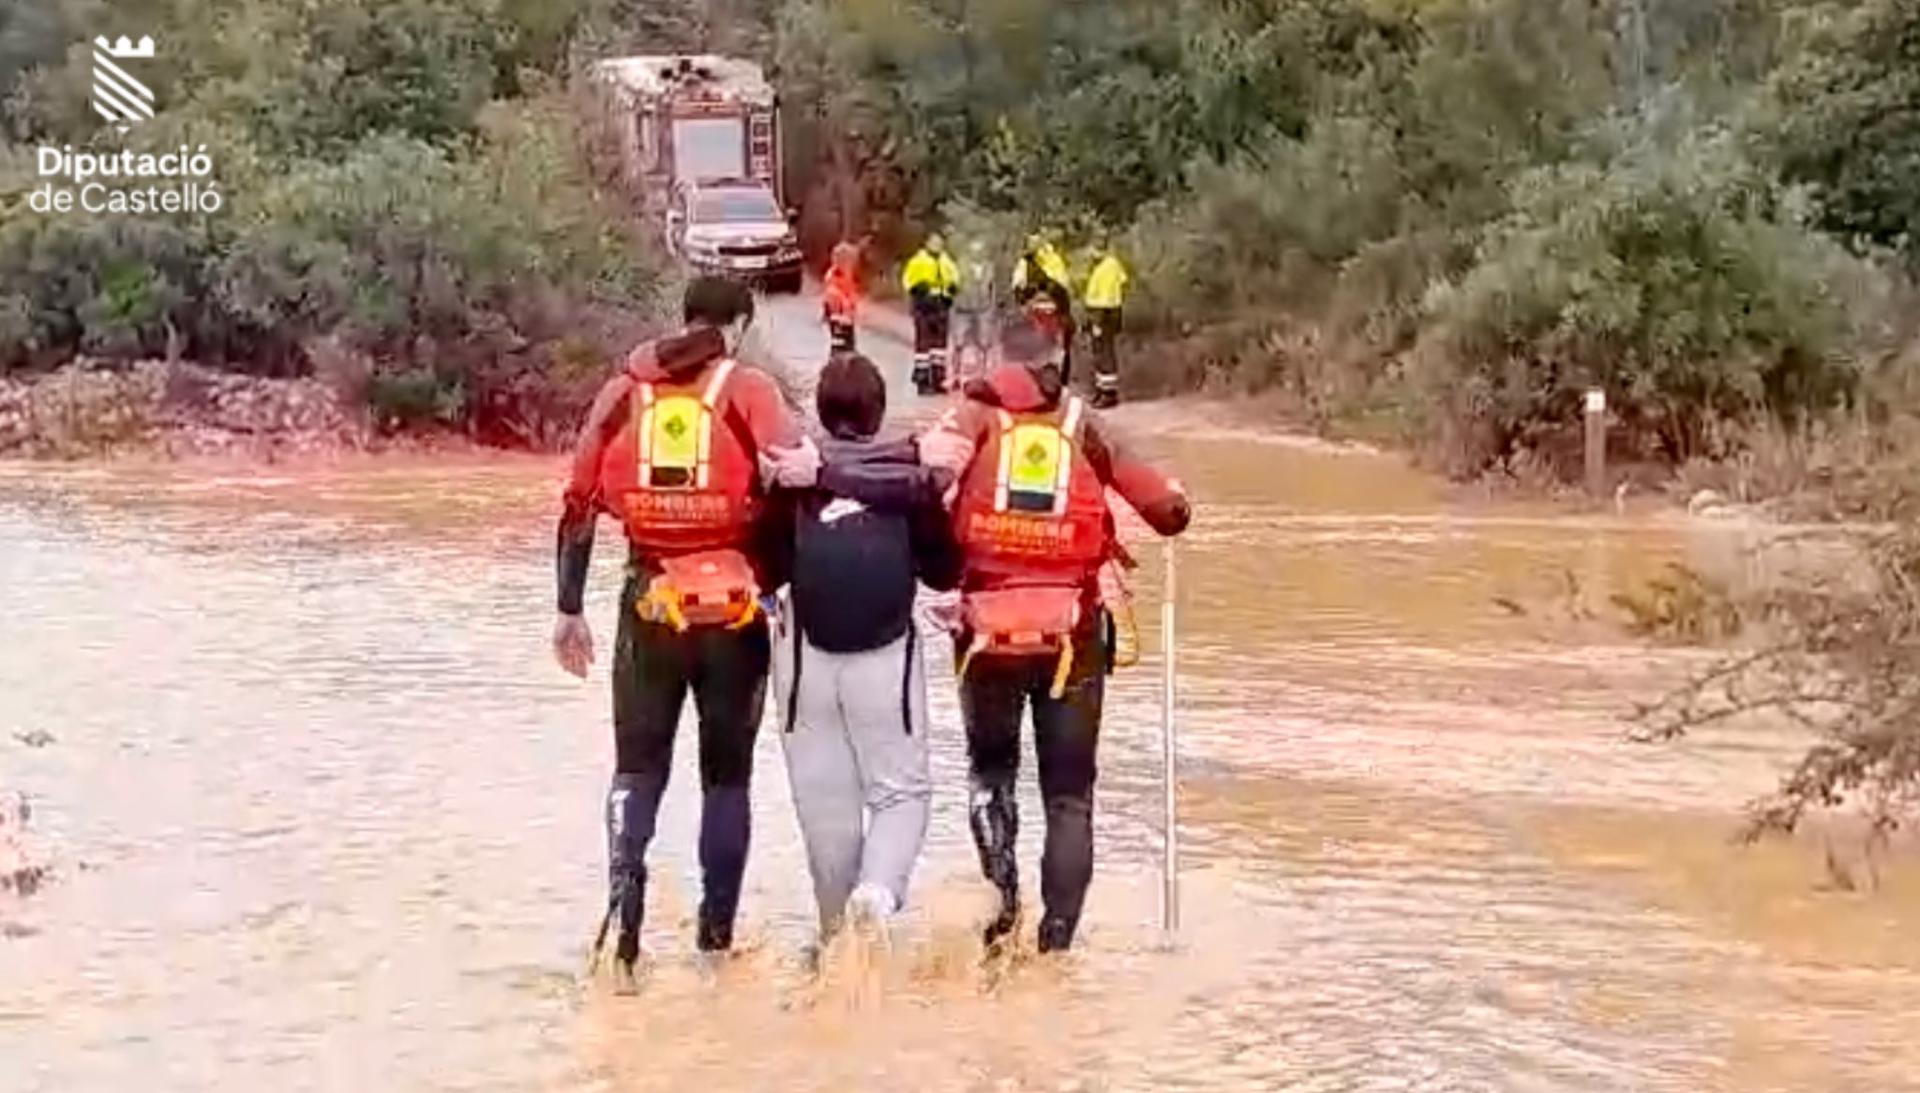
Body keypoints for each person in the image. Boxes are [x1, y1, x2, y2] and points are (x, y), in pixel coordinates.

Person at [553, 275, 804, 984]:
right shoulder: (750, 391)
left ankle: (624, 932)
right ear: (741, 326)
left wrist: (568, 608)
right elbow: (793, 486)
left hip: (648, 601)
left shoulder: (624, 391)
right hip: (734, 612)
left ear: (684, 318)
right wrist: (778, 586)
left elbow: (577, 505)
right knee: (726, 779)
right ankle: (714, 946)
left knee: (637, 771)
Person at [922, 315, 1189, 954]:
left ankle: (1002, 910)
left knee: (991, 775)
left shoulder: (969, 419)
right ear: (1059, 358)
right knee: (1069, 796)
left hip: (986, 633)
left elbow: (919, 490)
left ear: (997, 361)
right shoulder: (1083, 426)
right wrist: (1177, 499)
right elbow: (1167, 513)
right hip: (1072, 636)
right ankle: (1057, 945)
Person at [761, 353, 962, 947]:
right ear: (877, 415)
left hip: (804, 664)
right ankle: (876, 894)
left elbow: (767, 567)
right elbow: (946, 571)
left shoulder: (794, 475)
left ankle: (833, 943)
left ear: (822, 413)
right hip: (883, 656)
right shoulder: (911, 482)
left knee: (825, 802)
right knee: (902, 792)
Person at [1011, 233, 1075, 386]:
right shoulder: (1025, 263)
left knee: (1057, 350)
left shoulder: (1053, 260)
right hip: (1034, 315)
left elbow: (1062, 286)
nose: (1033, 247)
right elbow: (1017, 286)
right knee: (1034, 350)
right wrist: (1024, 301)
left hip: (1053, 314)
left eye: (1036, 243)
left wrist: (1047, 286)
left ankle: (1059, 382)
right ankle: (1035, 382)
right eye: (1030, 243)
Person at [901, 233, 961, 396]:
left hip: (941, 306)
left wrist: (952, 289)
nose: (937, 245)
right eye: (934, 242)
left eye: (940, 242)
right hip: (923, 306)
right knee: (924, 345)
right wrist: (917, 290)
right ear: (927, 243)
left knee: (939, 347)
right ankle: (922, 380)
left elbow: (954, 278)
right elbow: (908, 280)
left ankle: (938, 379)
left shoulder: (946, 261)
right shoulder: (918, 261)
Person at [1083, 241, 1130, 409]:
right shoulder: (1113, 264)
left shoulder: (1105, 267)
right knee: (1103, 352)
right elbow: (1124, 283)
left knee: (1103, 354)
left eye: (1093, 251)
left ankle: (1108, 395)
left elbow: (1102, 298)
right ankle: (1103, 391)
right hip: (1110, 311)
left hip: (1102, 313)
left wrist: (1097, 322)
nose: (1091, 255)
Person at [952, 239, 996, 386]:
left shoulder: (989, 267)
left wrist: (991, 307)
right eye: (974, 251)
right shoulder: (960, 265)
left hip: (983, 308)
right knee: (959, 343)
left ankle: (983, 375)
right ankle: (956, 376)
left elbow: (992, 289)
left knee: (983, 343)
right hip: (963, 308)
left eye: (980, 251)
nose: (977, 254)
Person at [822, 241, 862, 354]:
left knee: (849, 343)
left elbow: (852, 292)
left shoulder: (848, 275)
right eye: (849, 262)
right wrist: (844, 303)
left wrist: (853, 304)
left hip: (848, 317)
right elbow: (832, 293)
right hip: (838, 316)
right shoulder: (834, 275)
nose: (852, 265)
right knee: (840, 344)